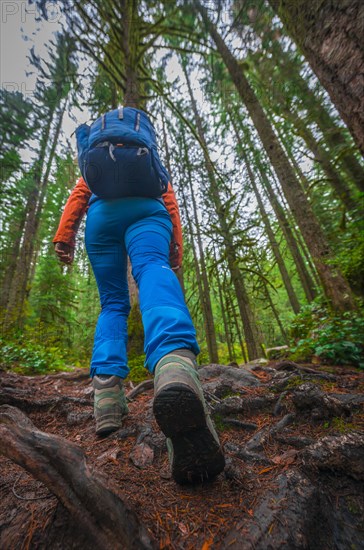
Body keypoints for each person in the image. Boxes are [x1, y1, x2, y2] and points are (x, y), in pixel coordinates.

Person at [53, 172, 225, 484]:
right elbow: (168, 199)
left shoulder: (97, 162)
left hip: (102, 217)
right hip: (148, 210)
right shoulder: (148, 160)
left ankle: (106, 394)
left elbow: (79, 194)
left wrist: (65, 235)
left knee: (113, 303)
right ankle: (175, 365)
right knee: (153, 271)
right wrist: (177, 247)